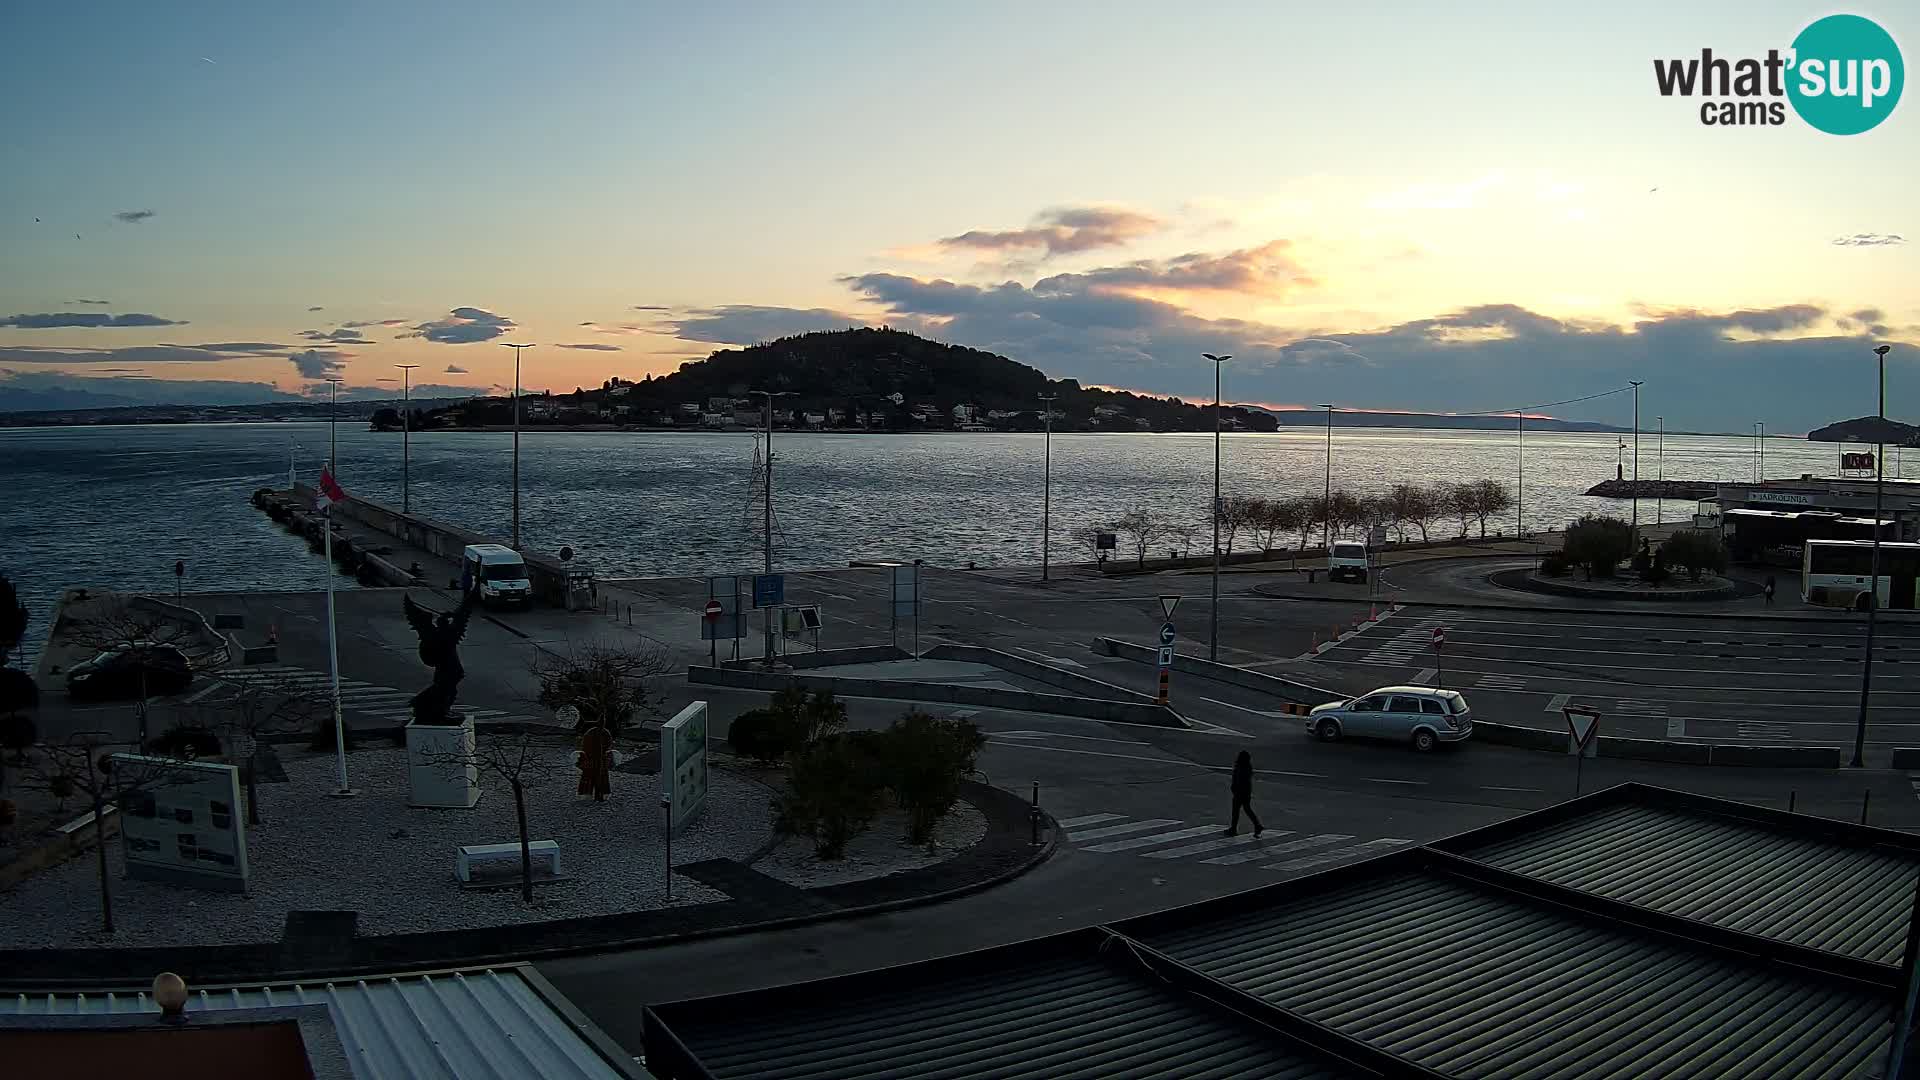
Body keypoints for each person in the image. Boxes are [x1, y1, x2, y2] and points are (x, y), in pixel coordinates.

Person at [1227, 750, 1264, 837]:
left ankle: (1233, 829)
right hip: (1246, 792)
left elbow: (1238, 779)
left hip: (1239, 792)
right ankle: (1257, 825)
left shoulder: (1240, 767)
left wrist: (1234, 788)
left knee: (1236, 811)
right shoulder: (1247, 767)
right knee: (1247, 809)